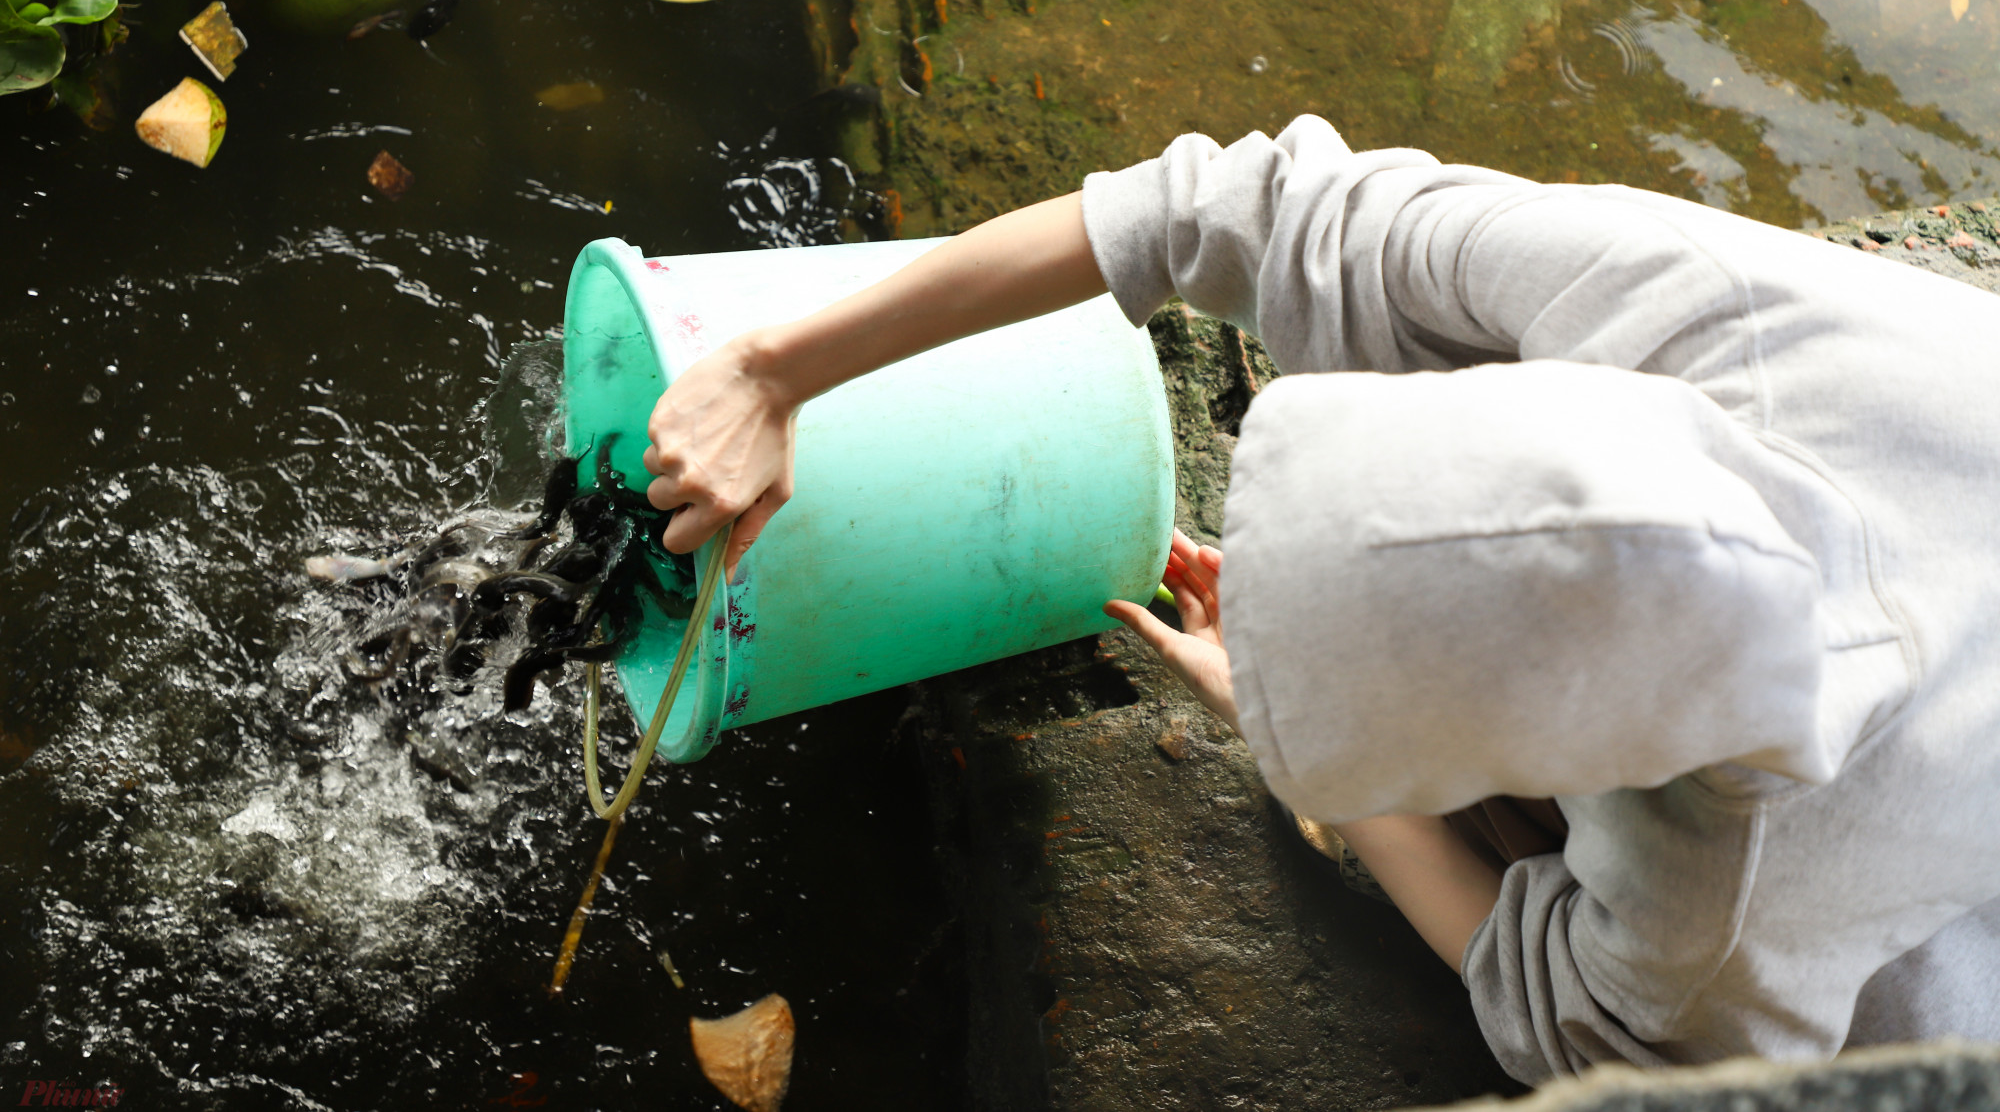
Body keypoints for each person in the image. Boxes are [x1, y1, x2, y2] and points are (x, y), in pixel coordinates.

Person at [638, 114, 2000, 1083]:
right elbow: (1217, 206)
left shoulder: (1734, 900)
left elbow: (1573, 1031)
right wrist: (776, 369)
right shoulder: (1669, 303)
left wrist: (1346, 781)